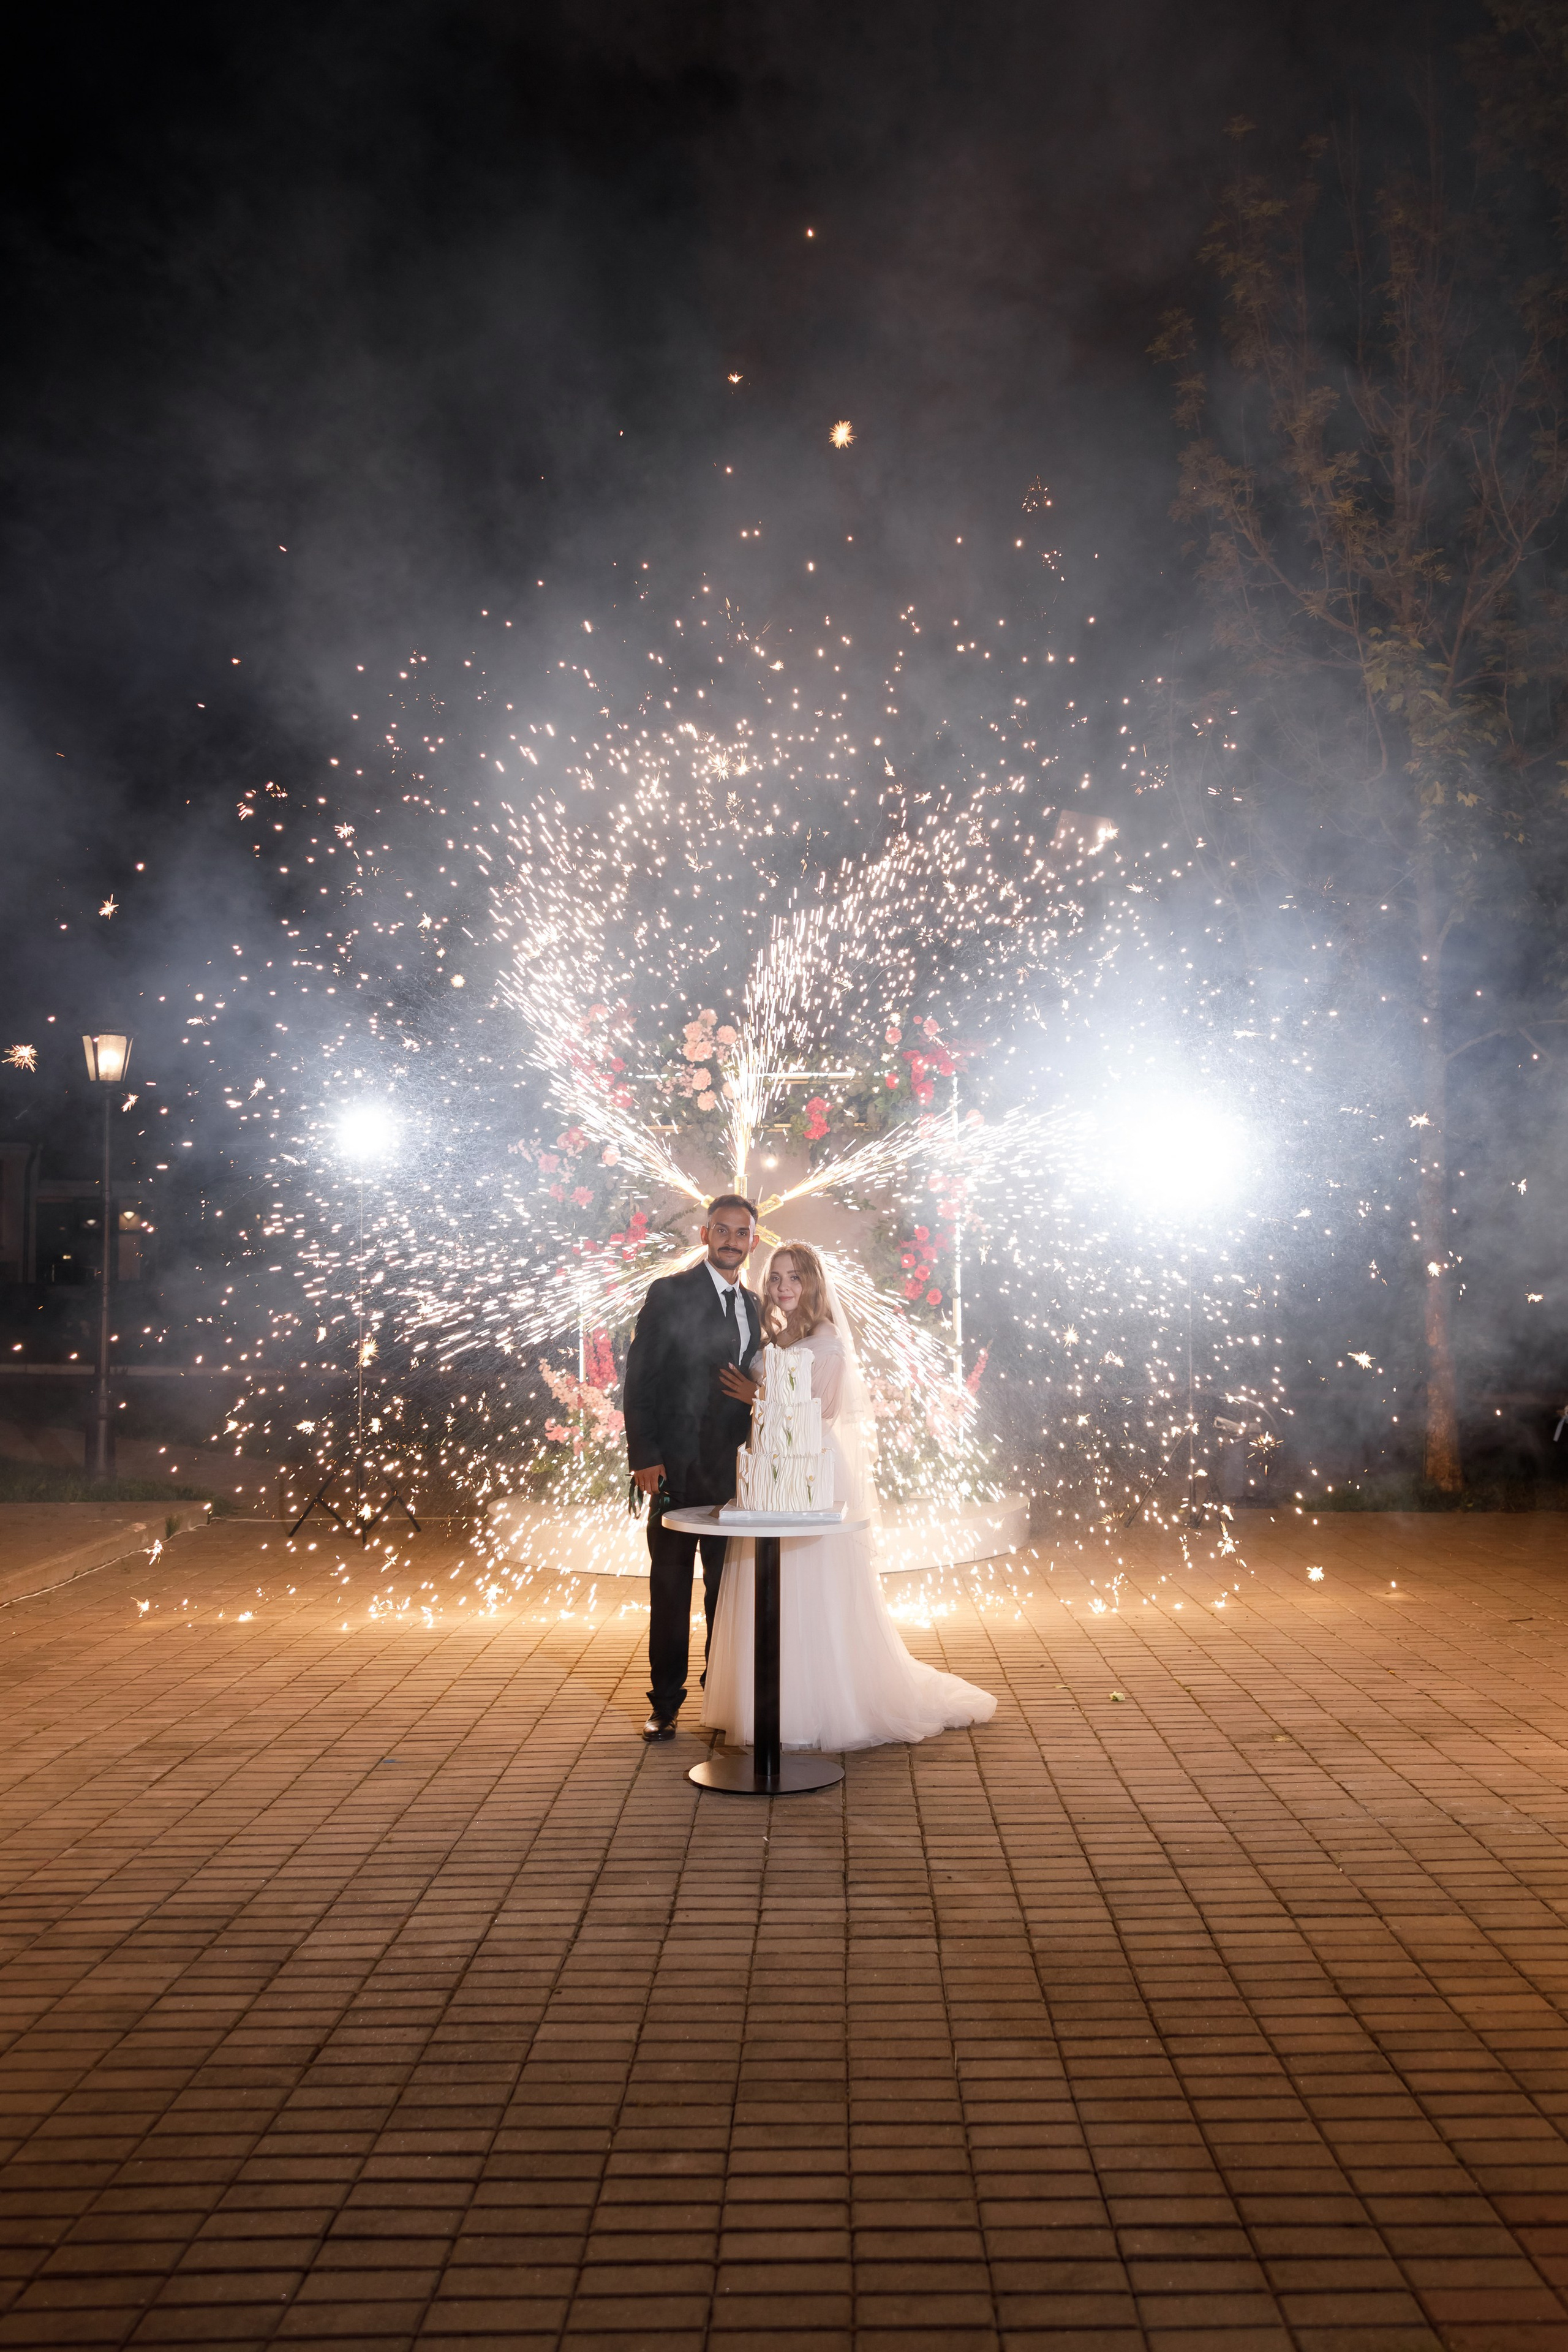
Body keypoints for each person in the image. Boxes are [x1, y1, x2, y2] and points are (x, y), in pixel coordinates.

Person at [702, 1240, 997, 1752]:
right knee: (768, 1582)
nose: (782, 1287)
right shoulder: (780, 1334)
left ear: (813, 1283)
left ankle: (823, 1705)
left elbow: (825, 1414)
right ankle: (769, 1704)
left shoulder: (827, 1340)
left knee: (812, 1585)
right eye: (775, 1278)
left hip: (811, 1468)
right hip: (772, 1470)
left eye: (794, 1277)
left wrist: (760, 1397)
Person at [622, 1194, 762, 1741]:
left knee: (726, 1594)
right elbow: (641, 1379)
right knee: (672, 1588)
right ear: (706, 1235)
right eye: (722, 1230)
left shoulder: (753, 1304)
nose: (731, 1241)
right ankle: (665, 1703)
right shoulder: (670, 1292)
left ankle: (719, 1696)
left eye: (741, 1233)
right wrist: (645, 1456)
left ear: (752, 1242)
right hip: (675, 1470)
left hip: (734, 1476)